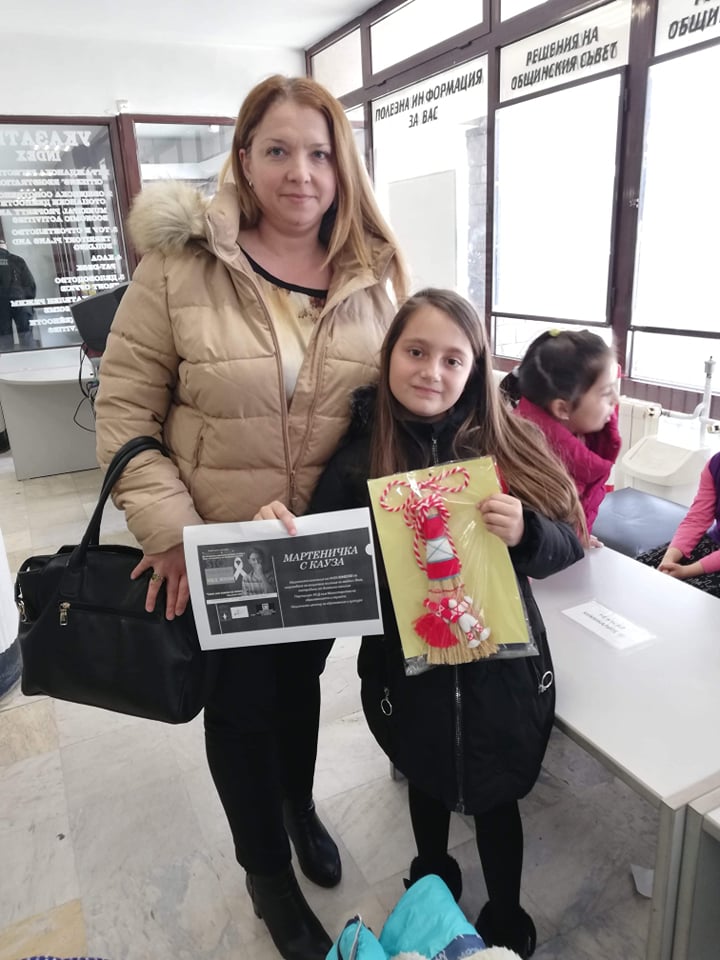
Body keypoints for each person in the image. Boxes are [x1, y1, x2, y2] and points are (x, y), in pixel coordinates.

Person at [94, 74, 408, 960]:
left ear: (342, 169)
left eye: (319, 154)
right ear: (244, 158)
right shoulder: (179, 269)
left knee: (298, 687)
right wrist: (171, 533)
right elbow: (124, 410)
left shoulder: (370, 278)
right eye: (278, 150)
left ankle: (297, 806)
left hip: (322, 553)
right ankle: (267, 875)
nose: (300, 172)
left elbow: (395, 410)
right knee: (239, 709)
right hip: (223, 547)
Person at [255, 290, 585, 958]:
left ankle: (505, 911)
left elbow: (569, 541)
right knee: (426, 777)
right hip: (407, 675)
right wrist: (279, 533)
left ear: (475, 370)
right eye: (416, 351)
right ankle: (431, 877)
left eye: (452, 359)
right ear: (389, 356)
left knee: (497, 796)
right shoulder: (359, 460)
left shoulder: (506, 444)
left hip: (501, 675)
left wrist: (527, 531)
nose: (432, 371)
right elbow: (317, 561)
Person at [500, 329, 620, 536]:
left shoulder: (589, 439)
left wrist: (576, 537)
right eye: (606, 392)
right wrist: (567, 541)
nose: (615, 400)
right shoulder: (523, 461)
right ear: (562, 408)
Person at [637, 451, 720, 597]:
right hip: (714, 541)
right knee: (640, 570)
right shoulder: (715, 464)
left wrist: (687, 571)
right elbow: (697, 518)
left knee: (688, 595)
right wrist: (669, 558)